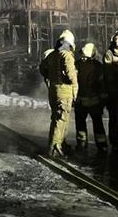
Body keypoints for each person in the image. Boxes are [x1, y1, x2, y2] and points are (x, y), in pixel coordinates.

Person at [40, 30, 78, 158]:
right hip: (64, 90)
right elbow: (71, 75)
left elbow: (42, 68)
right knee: (62, 118)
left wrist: (50, 77)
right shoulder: (66, 55)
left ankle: (61, 143)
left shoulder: (52, 55)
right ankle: (55, 147)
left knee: (57, 117)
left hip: (53, 89)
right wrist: (75, 89)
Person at [75, 42, 107, 150]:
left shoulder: (76, 64)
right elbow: (102, 85)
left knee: (80, 123)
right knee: (97, 123)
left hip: (80, 100)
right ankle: (102, 145)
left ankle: (81, 144)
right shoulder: (98, 66)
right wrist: (102, 101)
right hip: (94, 100)